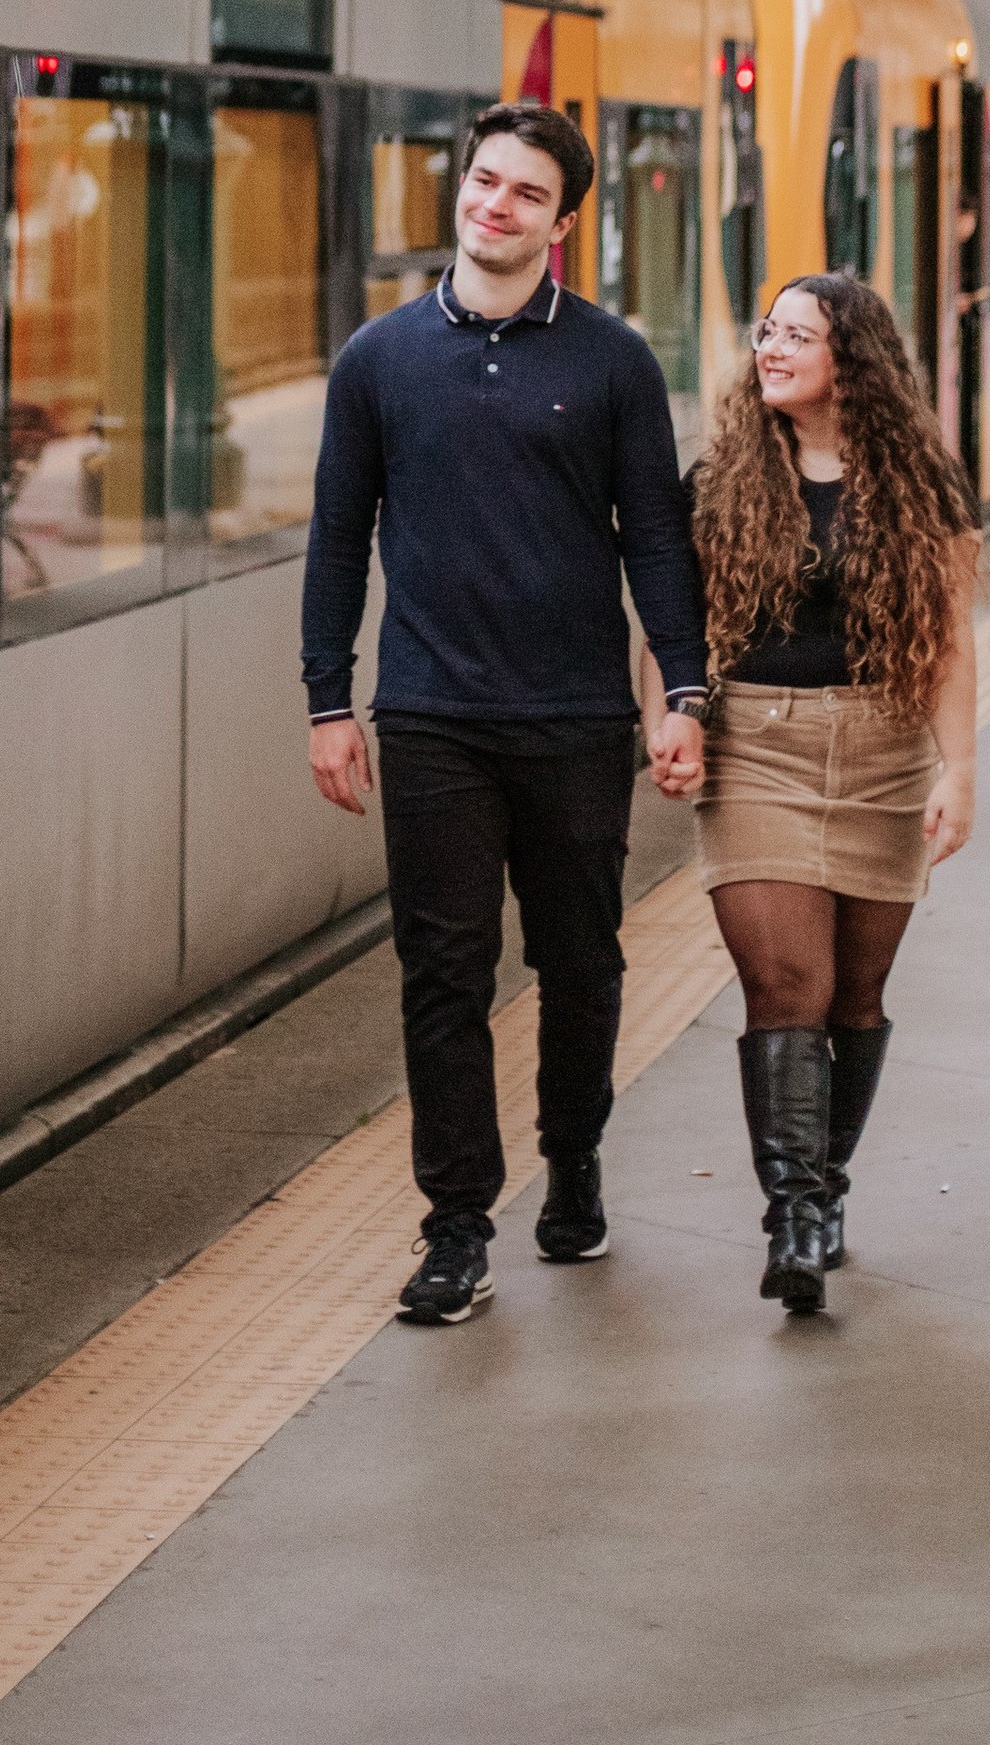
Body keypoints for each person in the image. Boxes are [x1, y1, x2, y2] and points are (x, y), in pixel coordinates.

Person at [302, 99, 710, 1326]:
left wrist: (677, 692)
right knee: (443, 973)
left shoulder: (611, 361)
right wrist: (330, 699)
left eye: (525, 193)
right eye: (484, 182)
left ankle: (573, 1160)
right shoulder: (377, 360)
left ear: (562, 223)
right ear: (460, 190)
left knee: (581, 961)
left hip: (577, 713)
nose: (495, 205)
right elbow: (336, 539)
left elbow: (654, 539)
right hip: (430, 713)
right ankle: (456, 1224)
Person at [691, 268, 979, 1315]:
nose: (770, 348)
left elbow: (946, 639)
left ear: (849, 360)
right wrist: (668, 718)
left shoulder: (923, 483)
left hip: (883, 751)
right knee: (787, 988)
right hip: (755, 748)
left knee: (853, 998)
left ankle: (827, 1187)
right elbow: (666, 622)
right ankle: (794, 1216)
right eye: (766, 332)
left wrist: (960, 772)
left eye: (796, 335)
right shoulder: (722, 474)